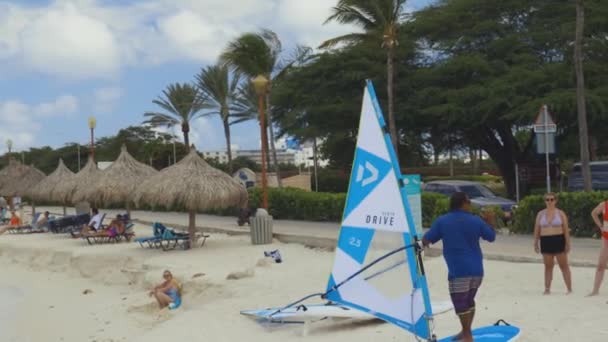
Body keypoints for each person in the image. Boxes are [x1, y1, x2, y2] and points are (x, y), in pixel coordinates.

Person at [422, 192, 496, 342]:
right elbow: (491, 237)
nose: (470, 205)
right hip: (477, 271)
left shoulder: (443, 221)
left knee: (461, 304)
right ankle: (465, 331)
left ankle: (468, 336)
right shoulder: (476, 221)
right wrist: (489, 222)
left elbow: (427, 239)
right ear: (463, 203)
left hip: (458, 272)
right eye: (469, 201)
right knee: (469, 301)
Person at [533, 193, 572, 295]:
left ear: (555, 201)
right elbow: (537, 229)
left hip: (559, 239)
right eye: (547, 200)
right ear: (545, 201)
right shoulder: (540, 214)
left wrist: (568, 243)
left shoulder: (560, 213)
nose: (549, 202)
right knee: (548, 266)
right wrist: (535, 242)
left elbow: (566, 230)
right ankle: (547, 289)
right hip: (546, 241)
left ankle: (569, 288)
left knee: (564, 266)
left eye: (551, 199)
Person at [587, 199, 608, 296]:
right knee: (601, 265)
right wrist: (600, 226)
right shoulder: (604, 204)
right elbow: (594, 213)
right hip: (606, 238)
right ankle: (595, 290)